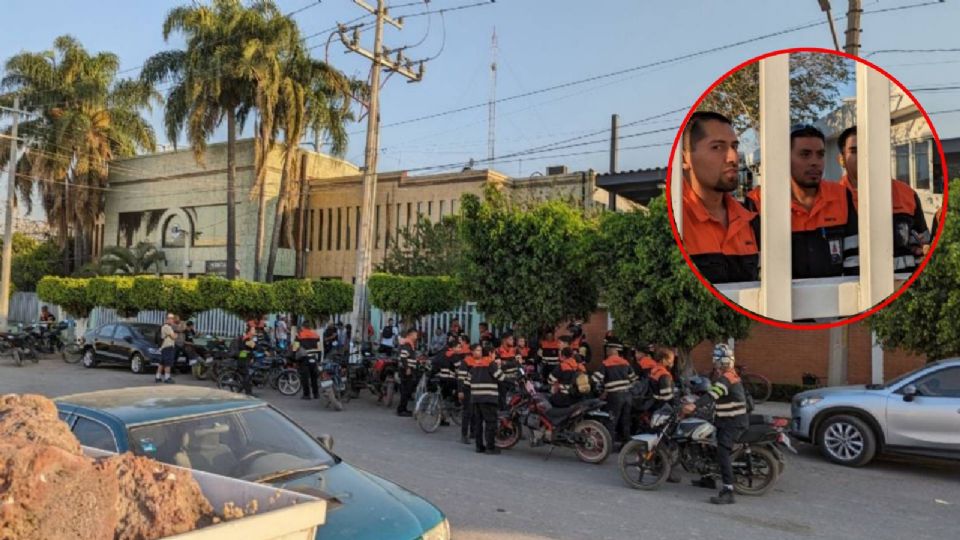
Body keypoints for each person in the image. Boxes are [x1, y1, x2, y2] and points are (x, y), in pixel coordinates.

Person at [746, 124, 859, 279]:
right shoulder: (759, 202)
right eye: (805, 154)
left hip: (837, 298)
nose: (815, 162)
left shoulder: (841, 195)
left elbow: (855, 259)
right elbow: (753, 268)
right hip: (782, 300)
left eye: (820, 155)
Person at [836, 126, 930, 274]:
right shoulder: (831, 199)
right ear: (841, 159)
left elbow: (924, 244)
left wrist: (921, 249)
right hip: (851, 292)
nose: (863, 156)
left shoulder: (907, 194)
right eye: (854, 151)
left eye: (869, 148)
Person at [681, 111, 760, 283]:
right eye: (717, 147)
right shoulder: (679, 218)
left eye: (734, 146)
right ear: (685, 158)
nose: (733, 157)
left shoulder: (748, 219)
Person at [683, 344, 749, 505]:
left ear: (721, 361)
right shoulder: (728, 376)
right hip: (725, 419)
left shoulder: (727, 378)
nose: (714, 362)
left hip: (733, 422)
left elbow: (713, 394)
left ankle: (728, 491)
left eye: (716, 359)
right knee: (707, 445)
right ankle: (708, 479)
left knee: (722, 452)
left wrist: (694, 405)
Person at [591, 338, 637, 445]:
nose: (606, 351)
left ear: (613, 350)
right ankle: (626, 444)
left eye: (608, 349)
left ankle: (609, 444)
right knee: (626, 420)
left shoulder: (606, 363)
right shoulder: (625, 363)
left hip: (615, 396)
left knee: (611, 420)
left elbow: (595, 379)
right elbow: (634, 379)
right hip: (627, 395)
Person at [464, 343, 505, 454]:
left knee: (478, 423)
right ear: (491, 354)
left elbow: (467, 382)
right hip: (488, 398)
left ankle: (479, 446)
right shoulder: (491, 364)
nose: (495, 356)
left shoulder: (475, 365)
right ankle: (490, 447)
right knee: (490, 423)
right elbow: (501, 377)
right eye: (495, 354)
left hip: (476, 399)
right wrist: (499, 366)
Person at [450, 335, 475, 443]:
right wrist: (460, 390)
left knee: (474, 412)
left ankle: (473, 433)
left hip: (475, 390)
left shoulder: (479, 362)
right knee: (467, 412)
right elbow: (460, 377)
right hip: (466, 389)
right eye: (477, 351)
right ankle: (464, 435)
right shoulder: (465, 362)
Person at [294, 322, 321, 400]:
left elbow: (295, 347)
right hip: (313, 357)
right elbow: (319, 348)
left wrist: (294, 357)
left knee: (305, 377)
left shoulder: (299, 335)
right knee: (314, 377)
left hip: (304, 358)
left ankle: (307, 395)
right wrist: (318, 359)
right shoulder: (315, 335)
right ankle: (316, 394)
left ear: (303, 327)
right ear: (310, 327)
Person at [396, 328, 419, 417]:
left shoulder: (410, 344)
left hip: (408, 369)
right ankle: (401, 410)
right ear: (410, 335)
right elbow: (403, 357)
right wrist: (407, 368)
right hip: (406, 371)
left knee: (407, 391)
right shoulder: (407, 344)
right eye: (415, 335)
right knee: (406, 390)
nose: (416, 337)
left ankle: (403, 408)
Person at [494, 334, 519, 409]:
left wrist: (505, 363)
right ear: (504, 340)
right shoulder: (497, 351)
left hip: (514, 378)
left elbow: (518, 362)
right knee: (502, 397)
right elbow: (499, 366)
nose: (513, 341)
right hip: (503, 379)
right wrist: (512, 363)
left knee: (513, 397)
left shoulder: (515, 350)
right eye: (511, 339)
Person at [156, 313, 178, 384]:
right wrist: (176, 335)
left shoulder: (165, 327)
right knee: (168, 363)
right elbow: (173, 337)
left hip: (164, 347)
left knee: (162, 363)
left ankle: (158, 377)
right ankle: (167, 377)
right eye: (171, 319)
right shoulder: (167, 327)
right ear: (167, 319)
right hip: (168, 347)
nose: (172, 320)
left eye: (172, 319)